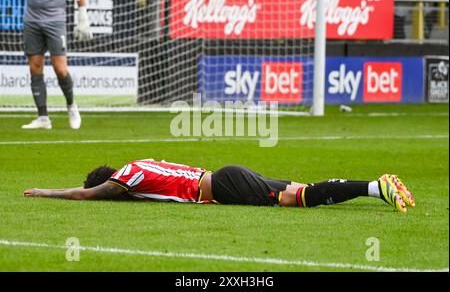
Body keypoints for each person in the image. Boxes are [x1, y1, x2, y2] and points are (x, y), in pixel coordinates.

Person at [24, 158, 416, 213]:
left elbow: (86, 194)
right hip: (227, 175)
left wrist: (44, 192)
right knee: (305, 189)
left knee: (299, 199)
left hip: (224, 186)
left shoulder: (127, 177)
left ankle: (375, 189)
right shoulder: (141, 163)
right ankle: (375, 184)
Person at [21, 0, 92, 130]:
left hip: (55, 20)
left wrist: (82, 16)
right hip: (31, 20)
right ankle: (43, 117)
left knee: (60, 68)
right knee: (35, 68)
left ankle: (71, 105)